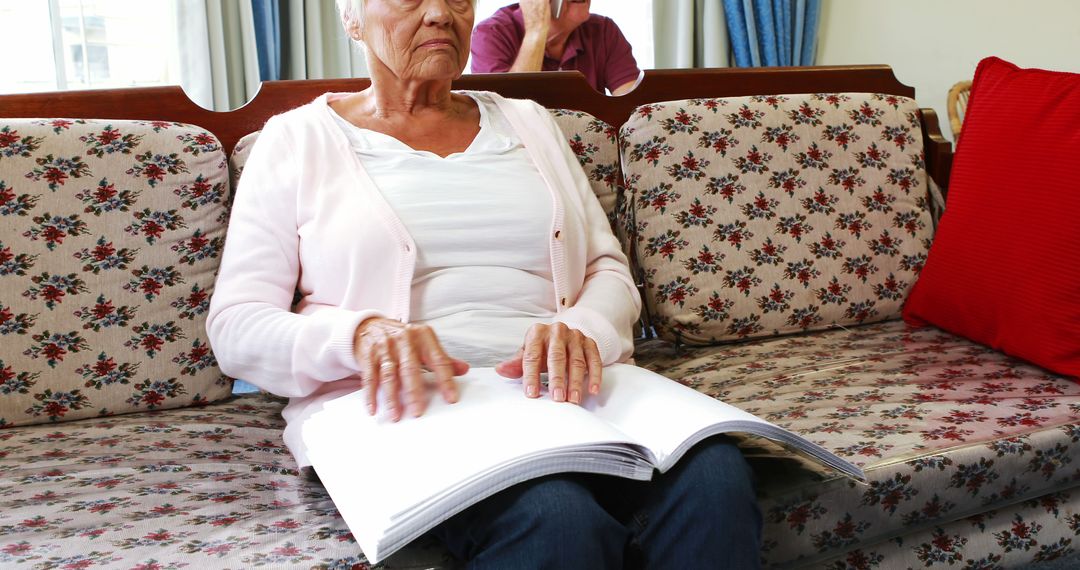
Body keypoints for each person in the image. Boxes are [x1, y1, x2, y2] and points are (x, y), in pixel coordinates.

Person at [206, 0, 761, 567]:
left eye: (458, 0)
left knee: (715, 477)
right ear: (351, 19)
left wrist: (584, 327)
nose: (440, 15)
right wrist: (360, 337)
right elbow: (236, 325)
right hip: (417, 407)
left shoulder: (528, 121)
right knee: (555, 516)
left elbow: (606, 268)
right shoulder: (296, 139)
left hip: (566, 392)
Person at [471, 0, 641, 95]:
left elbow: (633, 105)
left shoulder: (603, 30)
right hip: (523, 152)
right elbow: (504, 114)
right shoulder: (490, 34)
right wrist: (536, 31)